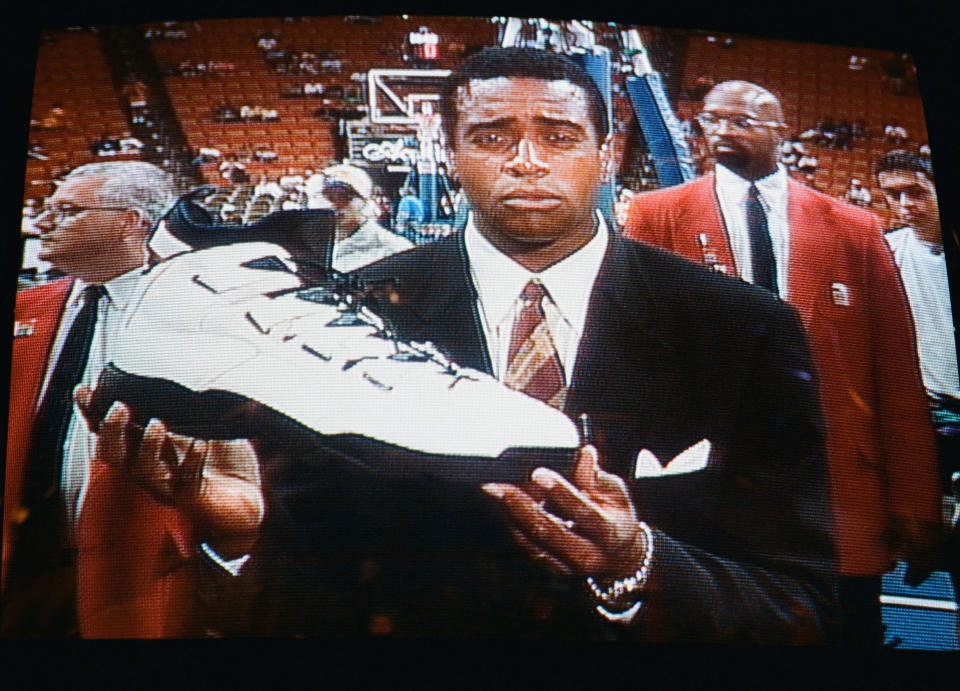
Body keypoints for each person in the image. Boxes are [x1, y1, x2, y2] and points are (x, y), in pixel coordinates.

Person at [95, 47, 839, 643]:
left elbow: (801, 601)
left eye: (558, 135)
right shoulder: (341, 316)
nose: (525, 160)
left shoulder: (742, 326)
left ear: (607, 156)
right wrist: (241, 535)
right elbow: (308, 593)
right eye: (491, 137)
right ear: (448, 152)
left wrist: (636, 563)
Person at [623, 80, 942, 647]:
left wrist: (916, 503)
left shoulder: (854, 229)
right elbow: (628, 364)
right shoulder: (655, 216)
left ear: (781, 131)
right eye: (711, 120)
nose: (722, 131)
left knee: (851, 636)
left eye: (741, 121)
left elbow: (894, 373)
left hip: (833, 490)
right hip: (705, 493)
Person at [1, 161, 182, 636]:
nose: (42, 223)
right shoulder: (27, 307)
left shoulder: (192, 317)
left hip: (132, 562)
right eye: (47, 209)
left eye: (67, 212)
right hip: (17, 552)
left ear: (132, 221)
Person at [876, 149, 960, 623]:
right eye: (894, 195)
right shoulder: (889, 254)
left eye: (916, 193)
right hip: (927, 410)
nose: (905, 204)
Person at [306, 163, 413, 272]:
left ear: (365, 201)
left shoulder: (396, 249)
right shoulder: (305, 245)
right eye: (326, 196)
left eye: (344, 196)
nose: (333, 205)